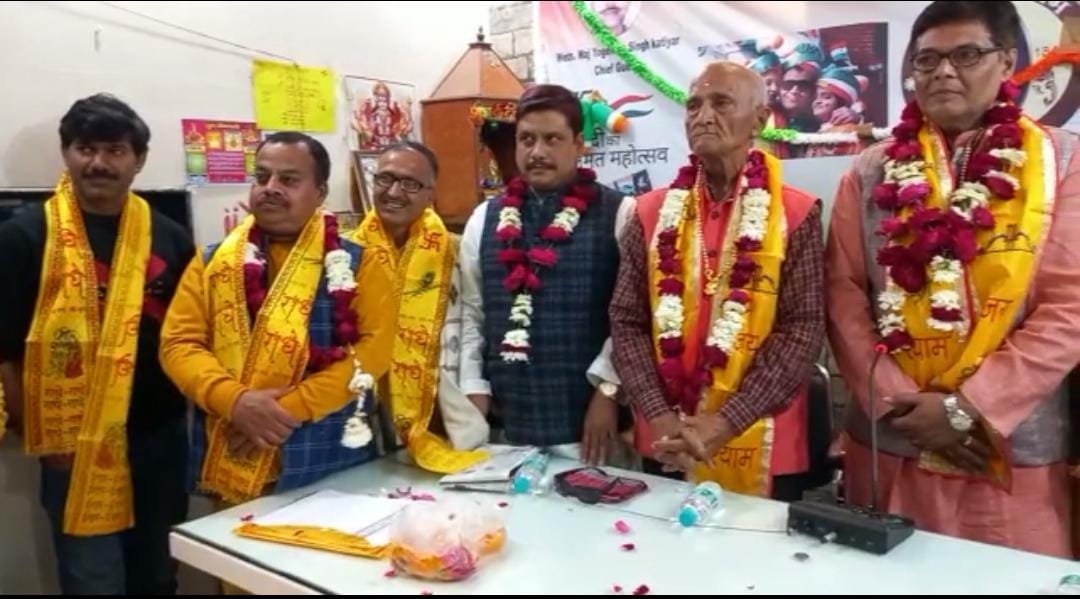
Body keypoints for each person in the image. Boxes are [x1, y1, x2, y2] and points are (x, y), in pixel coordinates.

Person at [827, 0, 1080, 557]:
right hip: (892, 441)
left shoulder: (1064, 161)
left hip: (1007, 449)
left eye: (966, 55)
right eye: (927, 60)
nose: (943, 72)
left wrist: (971, 408)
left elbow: (1070, 307)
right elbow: (843, 297)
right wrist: (899, 402)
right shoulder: (868, 171)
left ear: (1007, 61)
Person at [0, 94, 194, 594]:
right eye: (86, 149)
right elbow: (6, 352)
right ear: (66, 153)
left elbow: (192, 338)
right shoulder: (26, 237)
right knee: (93, 580)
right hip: (73, 444)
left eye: (115, 150)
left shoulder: (170, 236)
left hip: (159, 437)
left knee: (158, 574)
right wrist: (38, 436)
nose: (99, 163)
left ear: (139, 160)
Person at [610, 62, 825, 499]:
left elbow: (803, 328)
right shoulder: (648, 213)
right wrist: (659, 415)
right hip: (668, 440)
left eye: (721, 103)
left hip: (766, 441)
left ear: (759, 121)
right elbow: (627, 320)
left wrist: (727, 421)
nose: (703, 116)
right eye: (694, 105)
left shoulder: (797, 212)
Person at [160, 132, 394, 507]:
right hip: (234, 451)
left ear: (320, 193)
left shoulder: (360, 262)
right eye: (262, 176)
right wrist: (234, 402)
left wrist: (284, 411)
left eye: (288, 179)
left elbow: (374, 352)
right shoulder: (213, 262)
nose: (270, 188)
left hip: (330, 457)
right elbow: (179, 344)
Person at [459, 84, 634, 464]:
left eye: (552, 139)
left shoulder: (621, 213)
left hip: (592, 431)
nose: (537, 152)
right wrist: (472, 385)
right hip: (504, 428)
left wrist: (609, 389)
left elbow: (634, 317)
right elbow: (471, 312)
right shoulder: (484, 219)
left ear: (579, 144)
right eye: (527, 139)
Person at [349, 141, 490, 470]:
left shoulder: (454, 251)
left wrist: (474, 385)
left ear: (430, 194)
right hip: (364, 409)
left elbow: (475, 321)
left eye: (410, 184)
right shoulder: (346, 252)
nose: (394, 192)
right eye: (385, 179)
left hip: (439, 406)